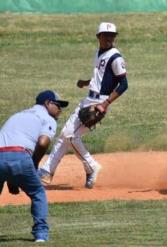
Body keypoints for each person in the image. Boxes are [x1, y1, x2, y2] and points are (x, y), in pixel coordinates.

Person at [38, 22, 128, 189]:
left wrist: (105, 104)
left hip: (99, 103)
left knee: (71, 136)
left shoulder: (116, 57)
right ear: (98, 37)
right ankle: (46, 172)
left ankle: (91, 166)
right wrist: (86, 82)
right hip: (88, 99)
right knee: (65, 134)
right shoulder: (99, 52)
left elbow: (123, 85)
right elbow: (102, 78)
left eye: (112, 35)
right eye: (106, 35)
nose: (109, 38)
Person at [0, 90, 68, 242]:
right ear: (47, 103)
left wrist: (11, 179)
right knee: (38, 193)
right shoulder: (48, 118)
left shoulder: (17, 115)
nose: (60, 109)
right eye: (58, 105)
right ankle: (41, 235)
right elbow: (43, 143)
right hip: (20, 157)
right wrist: (34, 163)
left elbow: (7, 148)